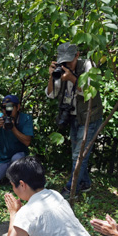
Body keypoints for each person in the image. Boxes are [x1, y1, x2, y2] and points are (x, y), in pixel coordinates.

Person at [45, 42, 103, 195]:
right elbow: (51, 94)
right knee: (76, 154)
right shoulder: (60, 68)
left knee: (79, 155)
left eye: (69, 61)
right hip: (73, 117)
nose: (66, 64)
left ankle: (71, 188)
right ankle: (85, 183)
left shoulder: (88, 65)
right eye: (63, 61)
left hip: (90, 117)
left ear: (77, 55)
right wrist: (52, 76)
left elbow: (90, 92)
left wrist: (72, 78)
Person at [0, 94, 34, 188]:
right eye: (4, 107)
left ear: (18, 107)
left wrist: (13, 128)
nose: (6, 110)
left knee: (17, 158)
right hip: (1, 159)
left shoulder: (26, 118)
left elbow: (27, 142)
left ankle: (15, 180)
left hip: (18, 158)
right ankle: (6, 176)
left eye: (10, 107)